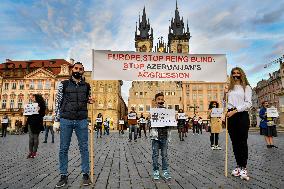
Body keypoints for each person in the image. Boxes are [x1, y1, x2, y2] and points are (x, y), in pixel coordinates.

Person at [53, 62, 93, 187]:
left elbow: (87, 99)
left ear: (83, 71)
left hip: (81, 119)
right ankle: (63, 175)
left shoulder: (87, 86)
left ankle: (85, 174)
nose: (78, 70)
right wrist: (56, 120)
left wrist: (89, 100)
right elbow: (58, 102)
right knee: (64, 148)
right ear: (72, 70)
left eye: (80, 69)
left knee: (84, 148)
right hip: (66, 119)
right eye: (76, 68)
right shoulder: (63, 84)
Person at [225, 67, 252, 181]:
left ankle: (244, 167)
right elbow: (225, 103)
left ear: (242, 74)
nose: (236, 75)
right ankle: (238, 166)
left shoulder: (246, 87)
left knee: (242, 142)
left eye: (238, 73)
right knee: (234, 143)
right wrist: (224, 94)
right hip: (231, 116)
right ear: (231, 75)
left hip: (241, 115)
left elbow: (248, 103)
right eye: (233, 73)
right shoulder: (229, 88)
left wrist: (234, 111)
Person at [150, 92, 172, 180]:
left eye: (162, 99)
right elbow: (150, 124)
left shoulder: (167, 111)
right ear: (155, 101)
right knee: (155, 155)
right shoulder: (153, 111)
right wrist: (150, 119)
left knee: (164, 155)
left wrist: (173, 119)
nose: (160, 101)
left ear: (164, 101)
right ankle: (156, 170)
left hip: (165, 135)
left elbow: (171, 124)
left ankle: (165, 170)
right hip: (155, 136)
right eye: (158, 99)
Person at [26, 94, 46, 158]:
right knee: (31, 138)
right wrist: (25, 112)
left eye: (33, 97)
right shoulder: (30, 104)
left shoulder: (41, 105)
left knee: (35, 138)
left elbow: (42, 114)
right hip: (30, 122)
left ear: (37, 98)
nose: (32, 98)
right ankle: (30, 152)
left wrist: (39, 110)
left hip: (37, 123)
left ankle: (34, 152)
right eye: (32, 98)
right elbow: (27, 114)